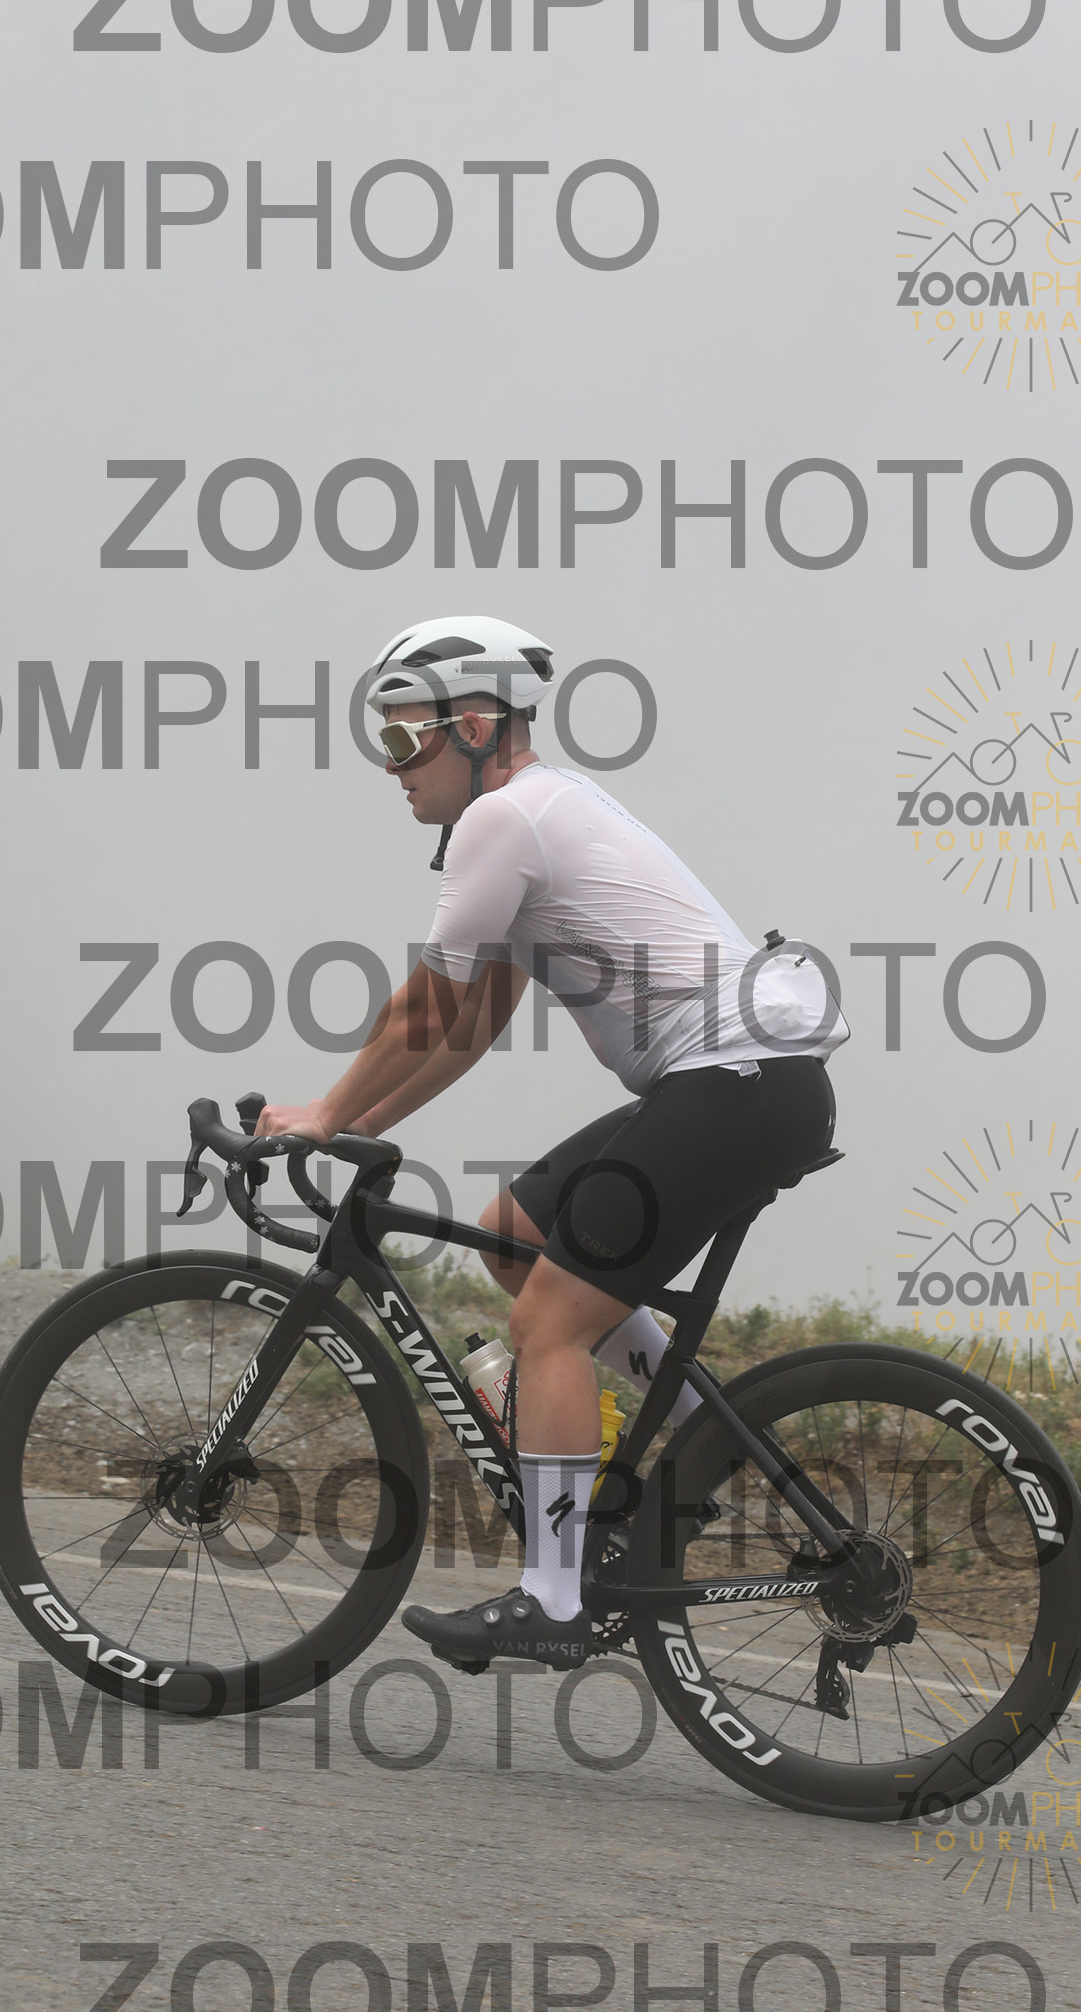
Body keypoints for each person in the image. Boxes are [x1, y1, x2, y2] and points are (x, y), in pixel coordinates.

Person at [256, 616, 848, 1669]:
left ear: (476, 726)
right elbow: (472, 1022)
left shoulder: (505, 820)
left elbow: (424, 1007)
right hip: (745, 1081)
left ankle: (556, 1600)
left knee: (549, 1325)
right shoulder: (536, 815)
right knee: (514, 1237)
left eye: (404, 739)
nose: (391, 767)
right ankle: (695, 1454)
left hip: (737, 1081)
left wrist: (324, 1114)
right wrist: (363, 1126)